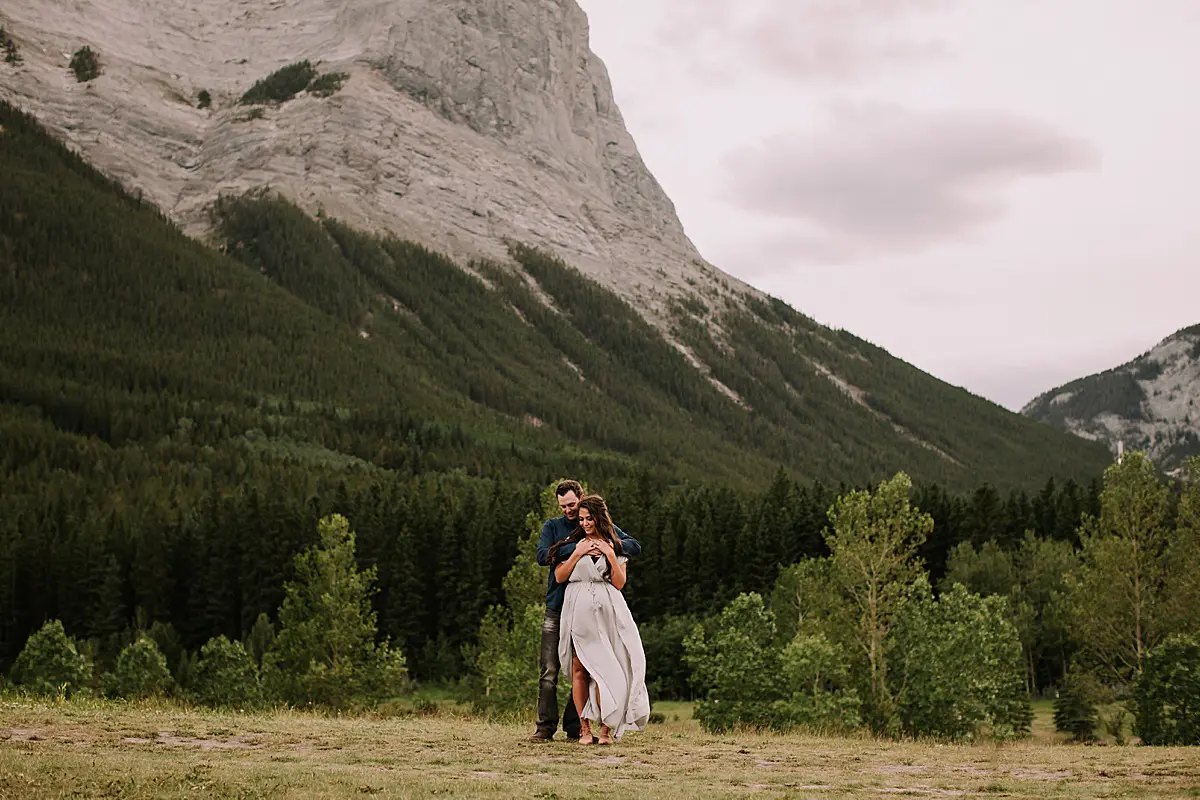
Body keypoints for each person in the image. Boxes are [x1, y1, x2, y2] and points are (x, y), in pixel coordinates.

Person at [530, 480, 641, 742]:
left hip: (594, 611)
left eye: (572, 505)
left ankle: (576, 726)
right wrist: (579, 549)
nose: (569, 511)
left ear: (582, 497)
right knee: (550, 670)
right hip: (559, 606)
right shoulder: (555, 527)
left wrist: (606, 546)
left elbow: (633, 546)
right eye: (564, 507)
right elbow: (544, 555)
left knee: (587, 667)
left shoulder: (596, 525)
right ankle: (545, 727)